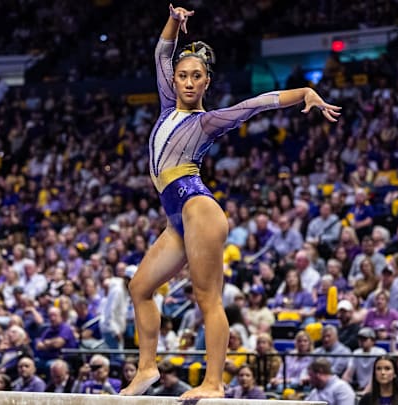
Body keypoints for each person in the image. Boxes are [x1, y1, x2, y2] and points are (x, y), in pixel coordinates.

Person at [121, 3, 341, 400]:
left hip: (197, 208)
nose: (188, 82)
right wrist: (175, 20)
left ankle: (214, 382)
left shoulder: (206, 121)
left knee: (207, 298)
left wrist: (306, 91)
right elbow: (160, 52)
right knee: (139, 287)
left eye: (197, 77)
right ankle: (147, 368)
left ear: (207, 82)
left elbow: (257, 103)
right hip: (176, 217)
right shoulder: (168, 105)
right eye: (183, 75)